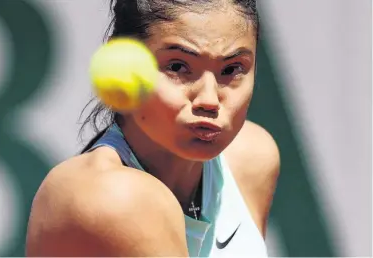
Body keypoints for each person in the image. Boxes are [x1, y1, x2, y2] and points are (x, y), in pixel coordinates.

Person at [25, 0, 280, 256]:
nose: (209, 101)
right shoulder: (111, 196)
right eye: (177, 67)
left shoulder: (252, 158)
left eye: (231, 69)